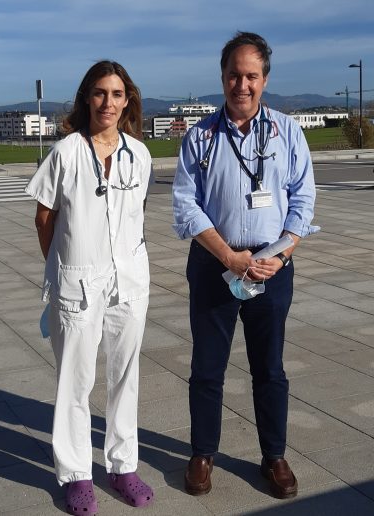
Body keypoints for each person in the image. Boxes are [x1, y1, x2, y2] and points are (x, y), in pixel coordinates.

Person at [172, 32, 319, 500]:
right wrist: (229, 257)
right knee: (207, 367)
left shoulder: (287, 133)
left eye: (251, 76)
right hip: (215, 264)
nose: (242, 85)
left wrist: (280, 255)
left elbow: (303, 200)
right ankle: (202, 454)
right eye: (234, 75)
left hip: (271, 267)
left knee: (270, 368)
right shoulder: (200, 136)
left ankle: (274, 456)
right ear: (222, 77)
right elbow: (186, 205)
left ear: (265, 80)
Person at [25, 60, 154, 515]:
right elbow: (44, 218)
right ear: (87, 98)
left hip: (129, 283)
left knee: (125, 377)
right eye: (100, 93)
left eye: (117, 94)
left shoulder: (139, 155)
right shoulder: (66, 152)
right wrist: (61, 264)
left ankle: (122, 466)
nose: (108, 102)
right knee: (75, 382)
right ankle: (76, 473)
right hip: (77, 283)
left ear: (127, 100)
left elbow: (136, 214)